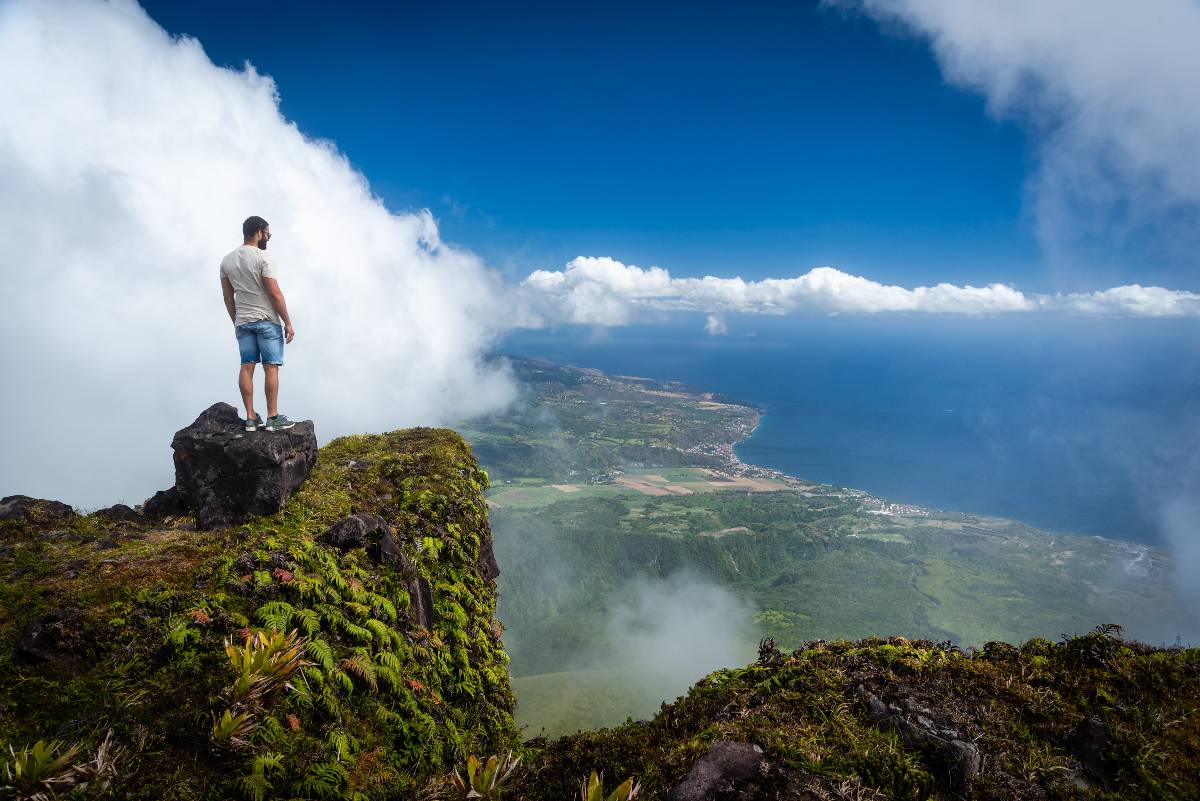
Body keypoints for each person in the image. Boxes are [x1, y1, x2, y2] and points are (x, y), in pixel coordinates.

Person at [219, 216, 296, 432]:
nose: (268, 237)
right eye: (268, 233)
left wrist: (236, 320)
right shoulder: (264, 257)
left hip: (243, 321)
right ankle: (273, 417)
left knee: (247, 365)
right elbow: (274, 292)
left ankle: (251, 418)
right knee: (271, 368)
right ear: (259, 232)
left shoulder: (227, 260)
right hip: (266, 320)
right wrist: (288, 322)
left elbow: (227, 296)